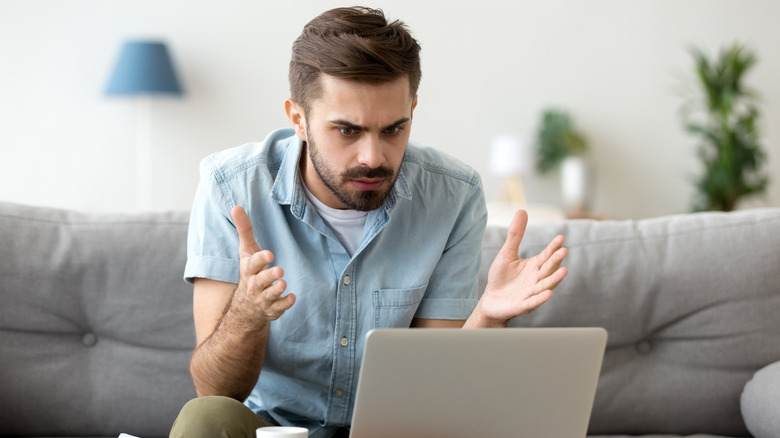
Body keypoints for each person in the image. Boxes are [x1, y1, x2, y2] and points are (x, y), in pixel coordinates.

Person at [170, 6, 568, 438]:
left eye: (394, 129)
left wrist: (487, 316)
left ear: (413, 108)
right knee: (204, 418)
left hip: (397, 430)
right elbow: (213, 390)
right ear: (298, 119)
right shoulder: (231, 187)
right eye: (347, 131)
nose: (373, 157)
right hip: (273, 429)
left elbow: (437, 391)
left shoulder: (454, 195)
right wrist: (247, 313)